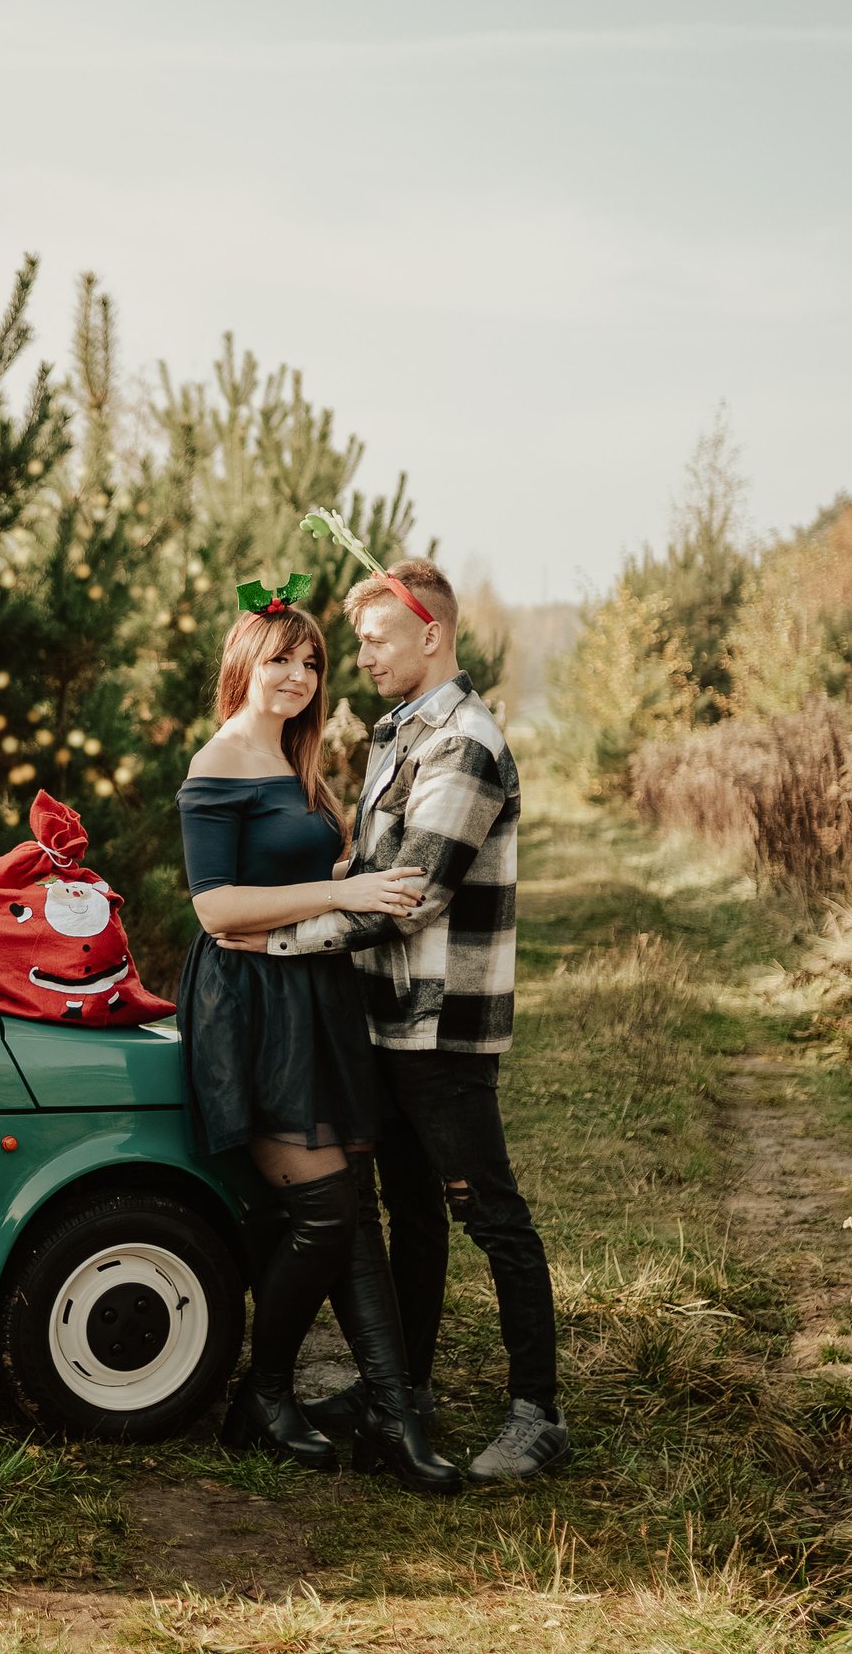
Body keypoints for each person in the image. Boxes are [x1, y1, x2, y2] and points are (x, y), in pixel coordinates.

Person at [211, 556, 567, 1485]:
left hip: (441, 1024)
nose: (358, 657)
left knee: (490, 1214)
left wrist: (270, 939)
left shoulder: (465, 743)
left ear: (431, 634)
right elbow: (361, 868)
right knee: (411, 1214)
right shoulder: (398, 733)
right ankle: (398, 1393)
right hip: (384, 1017)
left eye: (373, 641)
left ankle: (538, 1412)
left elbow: (405, 896)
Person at [177, 590, 461, 1494]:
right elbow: (215, 905)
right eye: (281, 660)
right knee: (326, 1208)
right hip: (251, 1001)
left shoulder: (297, 761)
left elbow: (299, 871)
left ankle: (389, 1411)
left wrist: (357, 877)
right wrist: (343, 893)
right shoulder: (219, 761)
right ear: (245, 664)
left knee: (354, 1204)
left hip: (312, 993)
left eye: (312, 663)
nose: (298, 677)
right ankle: (262, 1394)